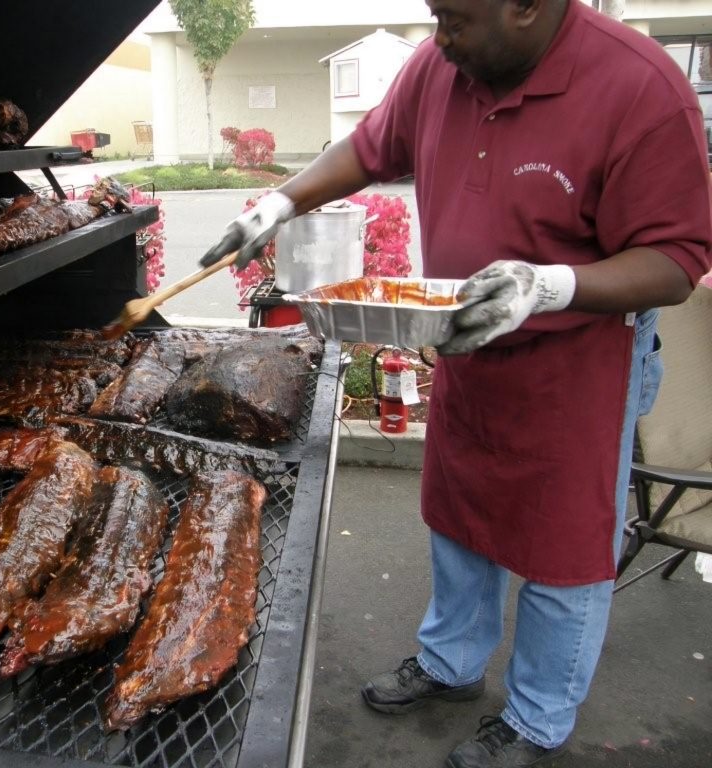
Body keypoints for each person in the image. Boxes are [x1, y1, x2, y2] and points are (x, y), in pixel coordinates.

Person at [201, 1, 712, 766]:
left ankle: (537, 718)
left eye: (457, 19)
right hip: (468, 340)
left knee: (563, 544)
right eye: (437, 14)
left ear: (528, 6)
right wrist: (281, 202)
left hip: (580, 357)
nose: (440, 37)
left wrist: (548, 287)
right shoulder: (445, 62)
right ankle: (451, 662)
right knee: (460, 505)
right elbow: (370, 146)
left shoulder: (638, 86)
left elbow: (676, 259)